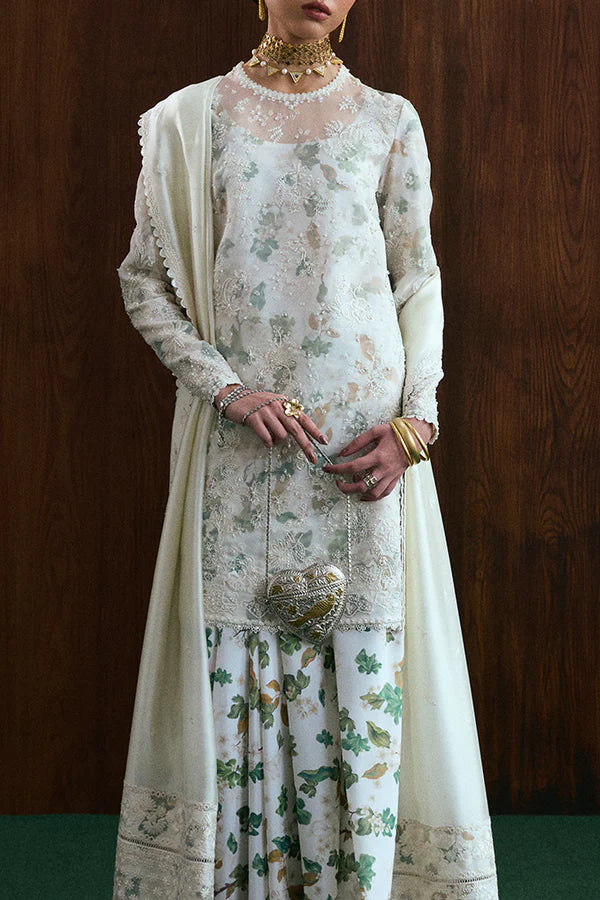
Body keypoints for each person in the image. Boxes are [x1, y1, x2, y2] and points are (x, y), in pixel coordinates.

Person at [112, 1, 499, 897]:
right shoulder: (188, 121)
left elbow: (418, 280)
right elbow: (144, 282)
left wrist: (417, 425)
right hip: (238, 448)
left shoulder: (389, 120)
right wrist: (226, 389)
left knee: (363, 664)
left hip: (365, 457)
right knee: (232, 667)